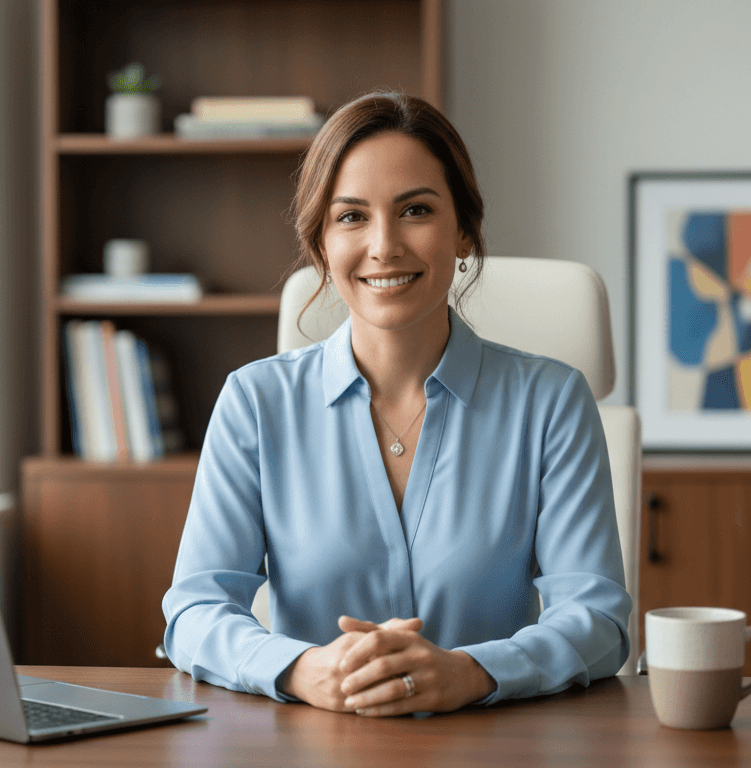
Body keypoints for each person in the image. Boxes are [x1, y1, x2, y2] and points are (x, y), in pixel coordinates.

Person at [161, 91, 630, 716]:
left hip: (492, 749)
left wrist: (472, 672)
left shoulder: (551, 403)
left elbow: (597, 619)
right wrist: (301, 669)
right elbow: (193, 612)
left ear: (463, 229)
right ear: (322, 243)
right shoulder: (255, 402)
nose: (384, 245)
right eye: (351, 217)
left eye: (415, 210)